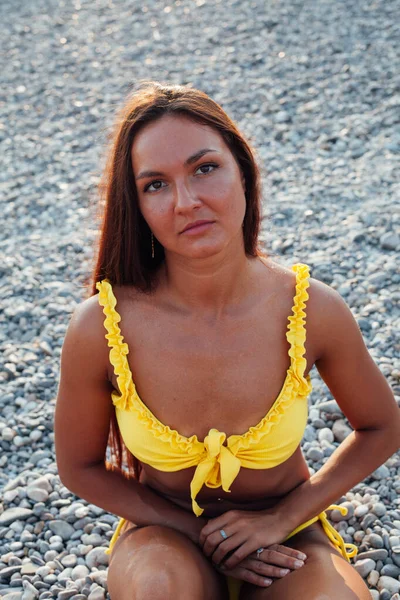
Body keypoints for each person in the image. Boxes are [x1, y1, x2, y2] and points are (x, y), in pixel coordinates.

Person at [54, 80, 400, 600]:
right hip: (165, 538)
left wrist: (281, 518)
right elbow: (77, 467)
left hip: (289, 537)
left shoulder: (311, 310)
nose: (186, 202)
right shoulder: (102, 327)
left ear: (243, 170)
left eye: (205, 168)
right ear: (138, 205)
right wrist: (198, 531)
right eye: (155, 185)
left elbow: (382, 426)